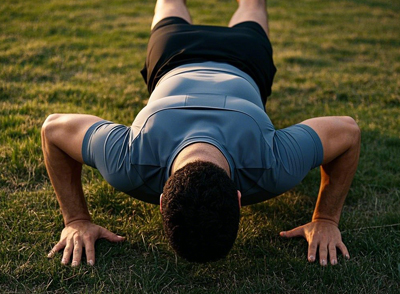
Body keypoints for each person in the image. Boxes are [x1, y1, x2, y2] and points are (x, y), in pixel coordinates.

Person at [42, 0, 361, 266]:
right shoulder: (129, 161)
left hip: (218, 55)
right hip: (192, 54)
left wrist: (77, 220)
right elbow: (53, 129)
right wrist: (325, 218)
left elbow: (348, 132)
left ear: (238, 200)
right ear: (239, 200)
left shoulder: (272, 166)